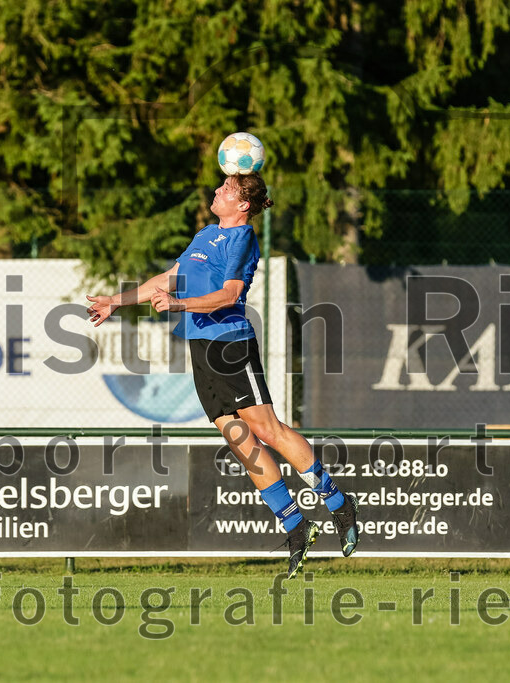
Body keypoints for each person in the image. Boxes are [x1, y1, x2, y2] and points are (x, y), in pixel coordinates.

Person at [86, 173, 359, 578]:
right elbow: (168, 279)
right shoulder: (204, 234)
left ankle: (338, 503)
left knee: (267, 430)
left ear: (243, 204)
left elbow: (231, 294)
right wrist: (116, 301)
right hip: (201, 348)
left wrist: (180, 307)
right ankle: (296, 525)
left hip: (231, 343)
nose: (216, 192)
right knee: (238, 438)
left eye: (226, 189)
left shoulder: (242, 238)